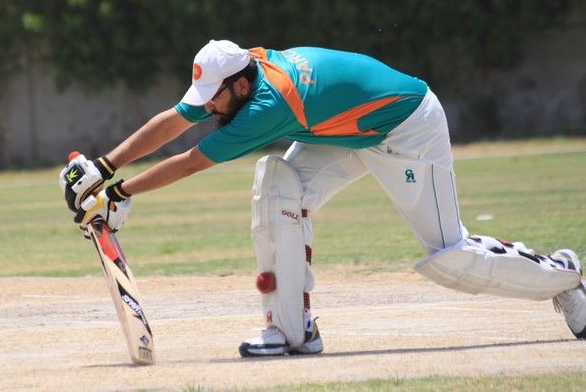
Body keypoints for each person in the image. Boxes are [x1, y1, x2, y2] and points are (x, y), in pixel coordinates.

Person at [60, 39, 586, 357]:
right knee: (278, 188)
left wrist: (119, 193)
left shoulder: (266, 105)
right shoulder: (241, 73)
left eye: (213, 99)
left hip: (407, 128)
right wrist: (105, 167)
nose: (208, 107)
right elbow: (176, 119)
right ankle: (292, 330)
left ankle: (563, 274)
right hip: (348, 131)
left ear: (239, 86)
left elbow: (192, 159)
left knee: (451, 258)